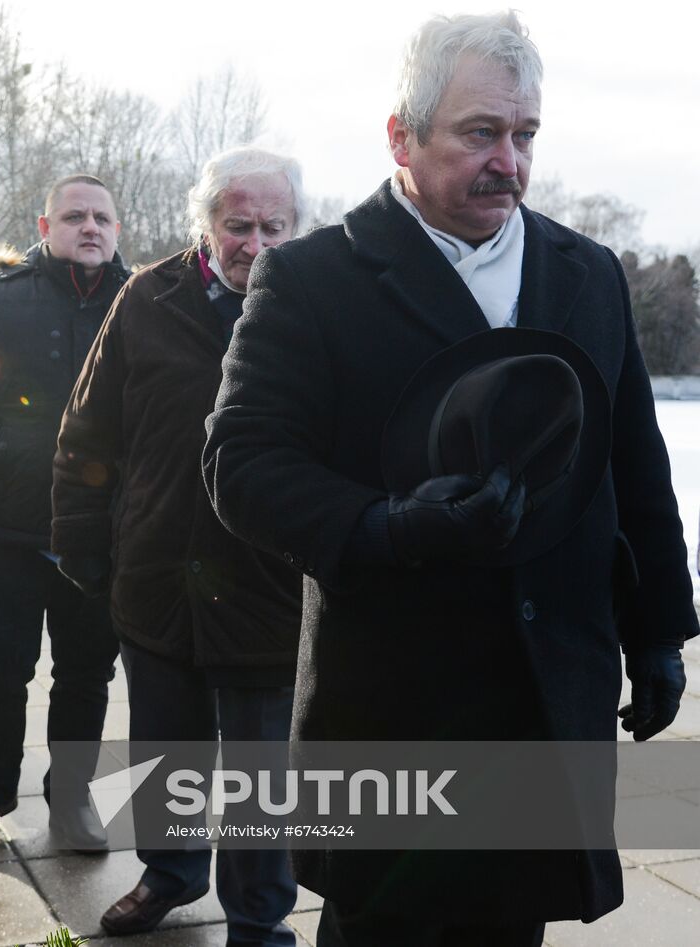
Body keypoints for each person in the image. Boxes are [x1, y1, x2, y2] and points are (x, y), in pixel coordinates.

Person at [202, 12, 696, 946]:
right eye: (480, 133)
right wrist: (388, 525)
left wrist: (659, 628)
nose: (509, 162)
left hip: (547, 694)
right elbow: (241, 462)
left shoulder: (586, 273)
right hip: (394, 704)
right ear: (402, 135)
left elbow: (634, 461)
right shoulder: (313, 279)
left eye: (525, 135)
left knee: (512, 925)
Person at [52, 148, 304, 943]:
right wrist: (83, 543)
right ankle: (170, 873)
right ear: (205, 224)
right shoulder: (146, 297)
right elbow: (86, 428)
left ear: (294, 228)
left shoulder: (319, 304)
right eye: (238, 225)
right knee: (165, 748)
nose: (255, 244)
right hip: (158, 569)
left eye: (273, 227)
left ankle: (259, 917)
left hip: (270, 583)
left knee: (263, 770)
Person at [0, 175, 129, 847]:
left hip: (99, 534)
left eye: (102, 217)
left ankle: (70, 799)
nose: (90, 227)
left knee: (85, 674)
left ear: (117, 229)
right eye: (74, 216)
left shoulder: (140, 302)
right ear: (45, 227)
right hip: (8, 528)